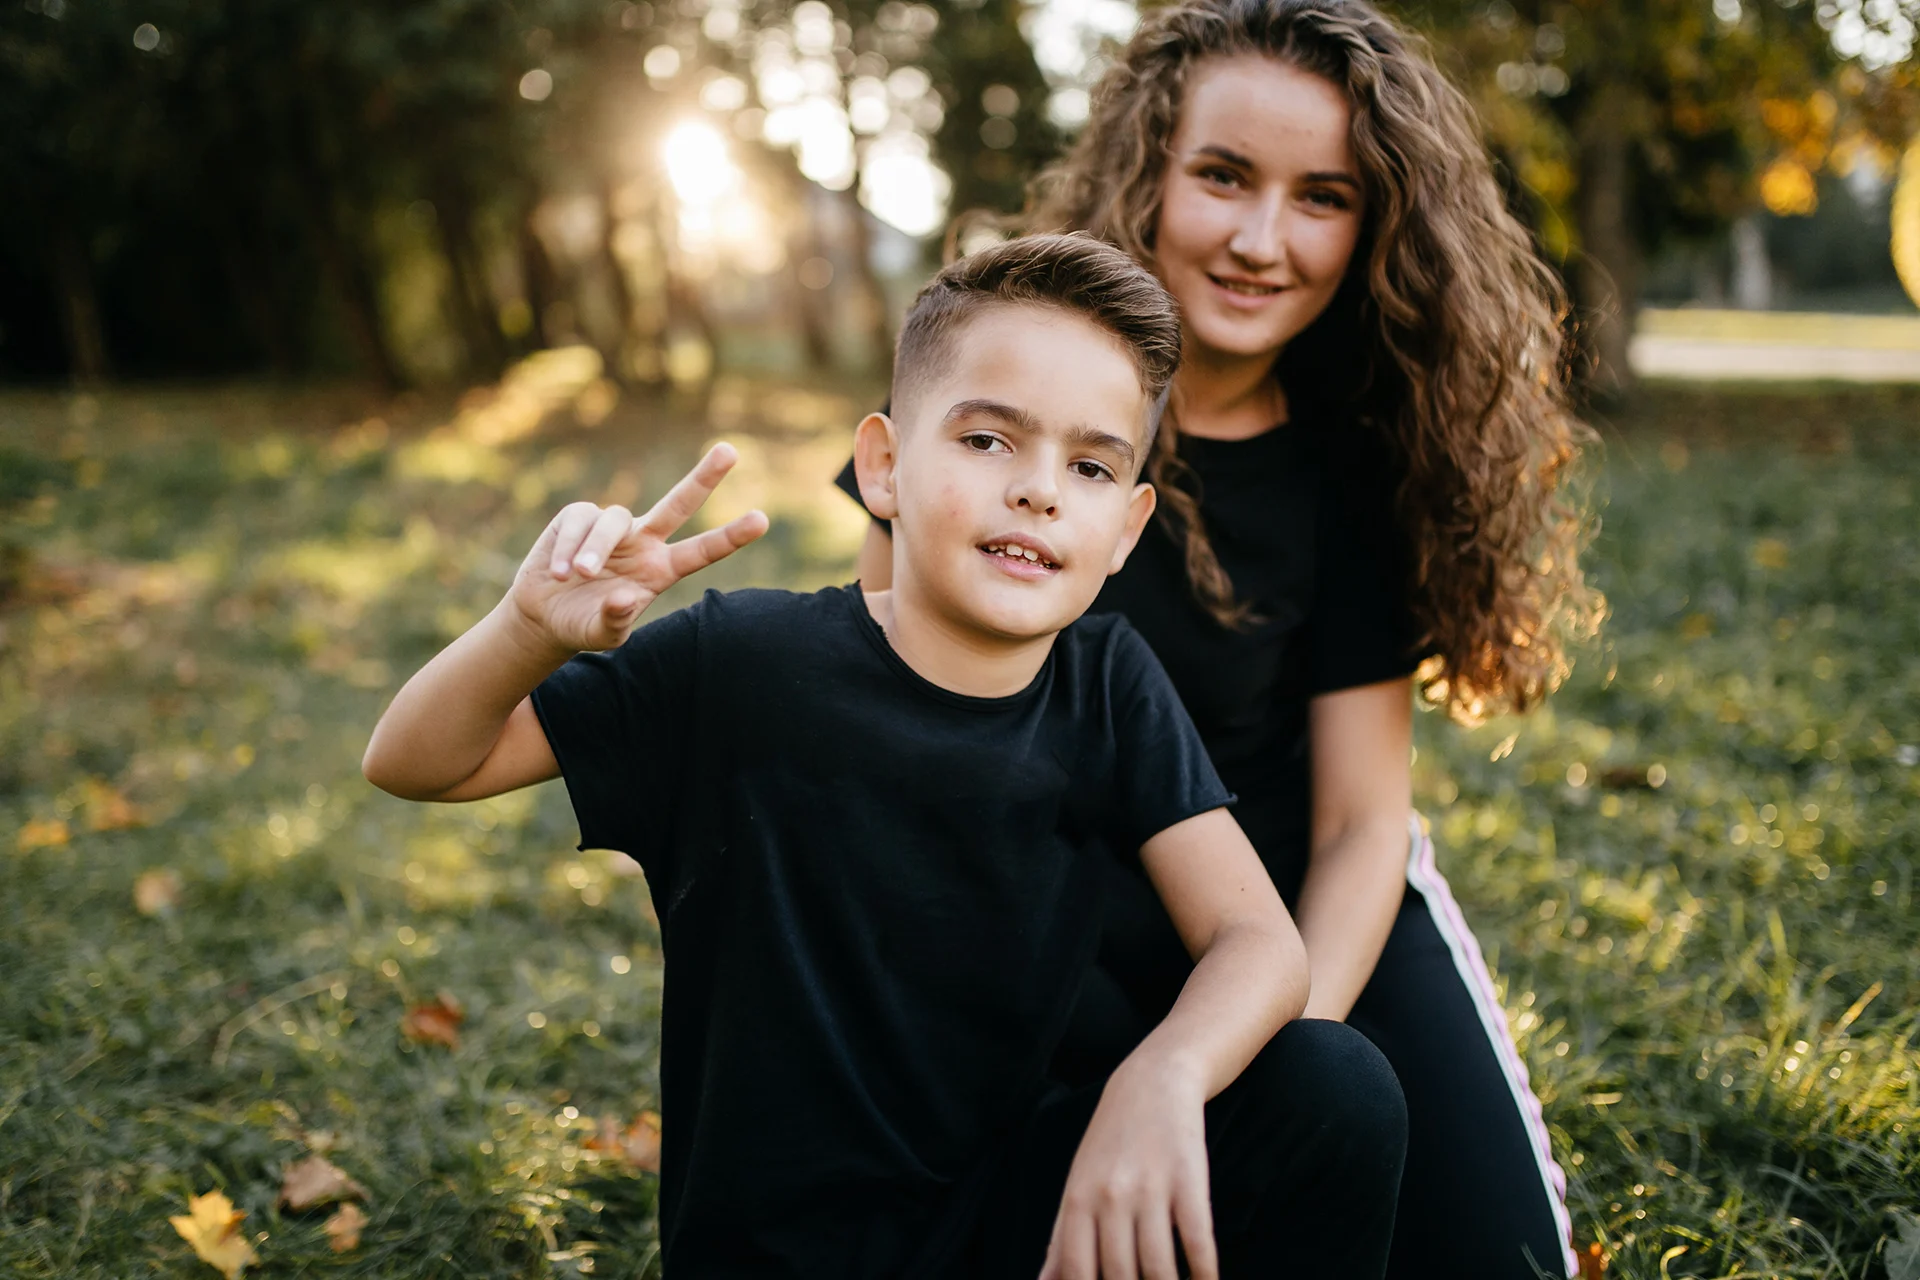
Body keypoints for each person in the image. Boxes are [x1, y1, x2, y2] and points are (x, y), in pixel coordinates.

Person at [364, 235, 1406, 1280]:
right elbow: (417, 761)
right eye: (989, 440)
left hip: (1013, 1227)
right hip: (784, 1256)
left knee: (1333, 1087)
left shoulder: (1108, 682)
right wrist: (527, 629)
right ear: (884, 466)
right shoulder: (742, 661)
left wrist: (1162, 1076)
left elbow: (1258, 942)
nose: (1040, 490)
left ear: (1128, 527)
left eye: (1091, 465)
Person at [839, 2, 1605, 1276]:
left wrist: (1253, 1061)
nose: (1262, 240)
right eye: (1224, 176)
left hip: (1301, 914)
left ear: (1375, 223)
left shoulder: (1360, 454)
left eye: (1323, 197)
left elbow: (1361, 825)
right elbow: (883, 732)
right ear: (1150, 173)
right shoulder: (994, 389)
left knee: (1503, 1259)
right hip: (1048, 910)